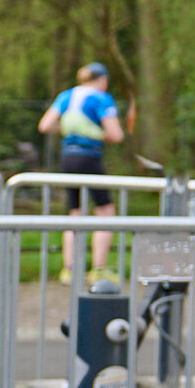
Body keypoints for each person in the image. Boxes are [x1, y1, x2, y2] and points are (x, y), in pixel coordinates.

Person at [38, 62, 125, 283]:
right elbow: (115, 135)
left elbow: (45, 125)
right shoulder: (101, 98)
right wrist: (97, 134)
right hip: (90, 157)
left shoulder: (66, 96)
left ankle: (69, 269)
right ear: (103, 80)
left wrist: (67, 131)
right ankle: (99, 268)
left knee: (75, 212)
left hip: (67, 156)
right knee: (105, 211)